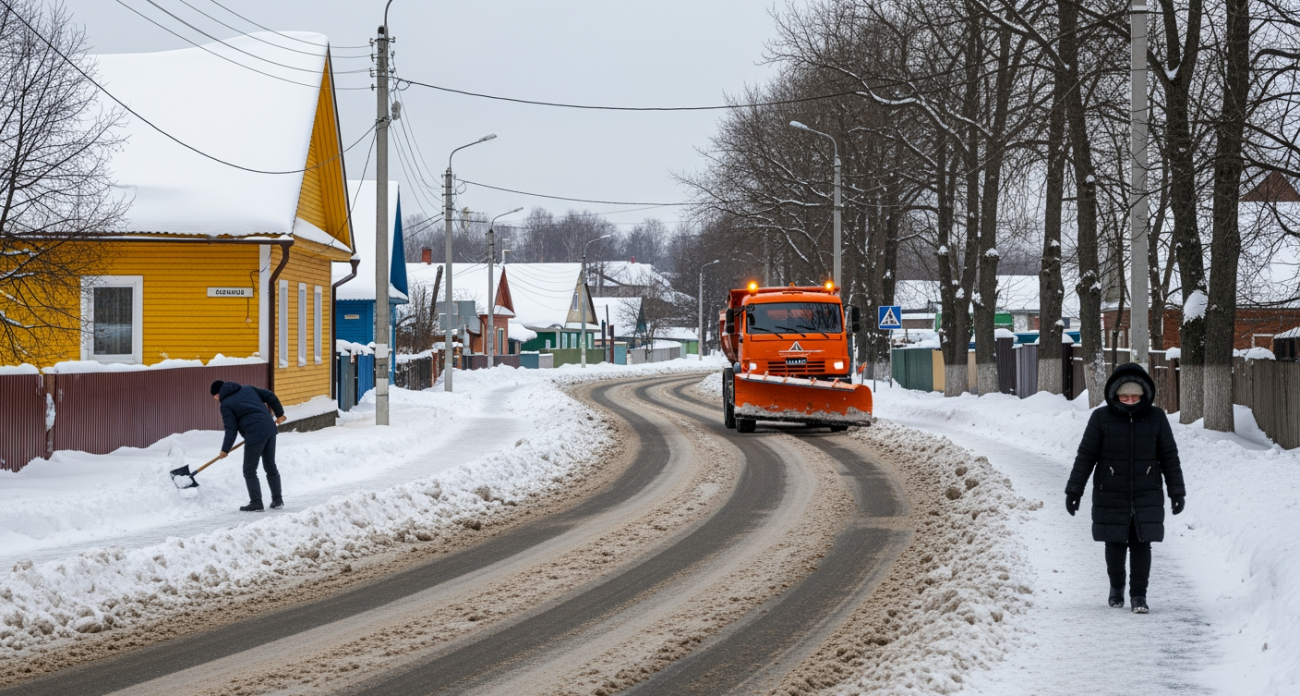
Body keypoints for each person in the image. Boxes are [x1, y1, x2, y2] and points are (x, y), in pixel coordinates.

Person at [1065, 363, 1186, 614]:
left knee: (1142, 543)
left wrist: (1177, 491)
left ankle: (1139, 596)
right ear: (1114, 394)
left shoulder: (1156, 418)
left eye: (1134, 396)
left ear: (1144, 395)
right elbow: (1086, 456)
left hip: (1146, 491)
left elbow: (1169, 457)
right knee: (1115, 544)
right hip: (1111, 491)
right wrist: (1074, 490)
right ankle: (1116, 589)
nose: (1130, 401)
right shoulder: (1101, 418)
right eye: (1124, 396)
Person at [212, 380, 287, 512]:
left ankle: (256, 502)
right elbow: (270, 396)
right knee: (270, 465)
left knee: (249, 470)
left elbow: (231, 429)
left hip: (255, 434)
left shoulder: (226, 404)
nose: (216, 400)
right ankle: (277, 499)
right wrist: (279, 414)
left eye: (215, 397)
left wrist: (225, 449)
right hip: (269, 429)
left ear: (218, 394)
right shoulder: (247, 388)